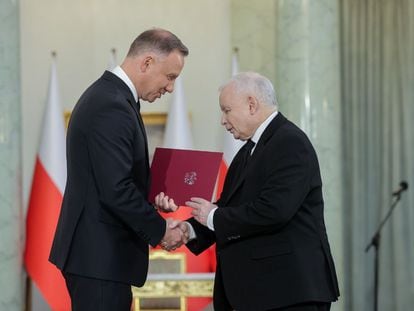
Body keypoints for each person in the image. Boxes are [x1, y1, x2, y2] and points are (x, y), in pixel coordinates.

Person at [159, 72, 340, 310]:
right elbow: (228, 208)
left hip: (289, 293)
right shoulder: (248, 151)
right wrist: (189, 229)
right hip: (261, 293)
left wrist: (212, 216)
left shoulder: (290, 142)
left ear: (252, 105)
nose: (223, 120)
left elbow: (274, 210)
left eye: (226, 110)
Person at [49, 28, 189, 311]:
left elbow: (113, 180)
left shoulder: (113, 98)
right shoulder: (111, 105)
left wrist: (152, 199)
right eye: (170, 77)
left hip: (101, 258)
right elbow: (115, 189)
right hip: (100, 258)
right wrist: (161, 230)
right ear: (147, 62)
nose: (171, 88)